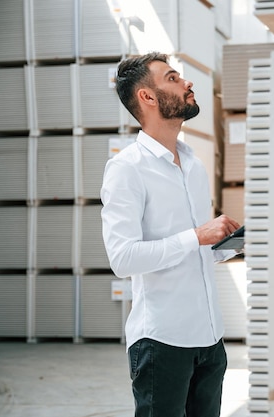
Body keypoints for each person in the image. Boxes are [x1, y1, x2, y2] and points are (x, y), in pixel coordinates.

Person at [100, 52, 241, 417]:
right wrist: (196, 235)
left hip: (210, 340)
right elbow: (123, 258)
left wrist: (227, 245)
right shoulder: (126, 169)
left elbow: (195, 252)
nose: (187, 83)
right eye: (173, 78)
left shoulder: (192, 163)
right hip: (162, 343)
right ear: (147, 97)